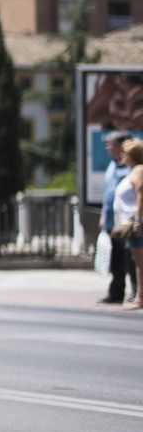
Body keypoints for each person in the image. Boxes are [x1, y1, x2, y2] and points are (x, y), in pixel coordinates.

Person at [99, 131, 138, 304]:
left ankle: (136, 293)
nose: (107, 147)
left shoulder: (133, 169)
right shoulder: (112, 165)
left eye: (110, 144)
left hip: (128, 220)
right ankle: (116, 293)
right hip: (113, 220)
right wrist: (103, 215)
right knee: (116, 260)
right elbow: (108, 194)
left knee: (132, 258)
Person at [115, 138, 143, 310]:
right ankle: (138, 296)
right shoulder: (133, 171)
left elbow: (141, 196)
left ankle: (140, 298)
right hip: (132, 221)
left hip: (137, 222)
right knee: (136, 260)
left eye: (124, 152)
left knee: (140, 263)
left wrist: (138, 221)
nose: (122, 155)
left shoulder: (139, 171)